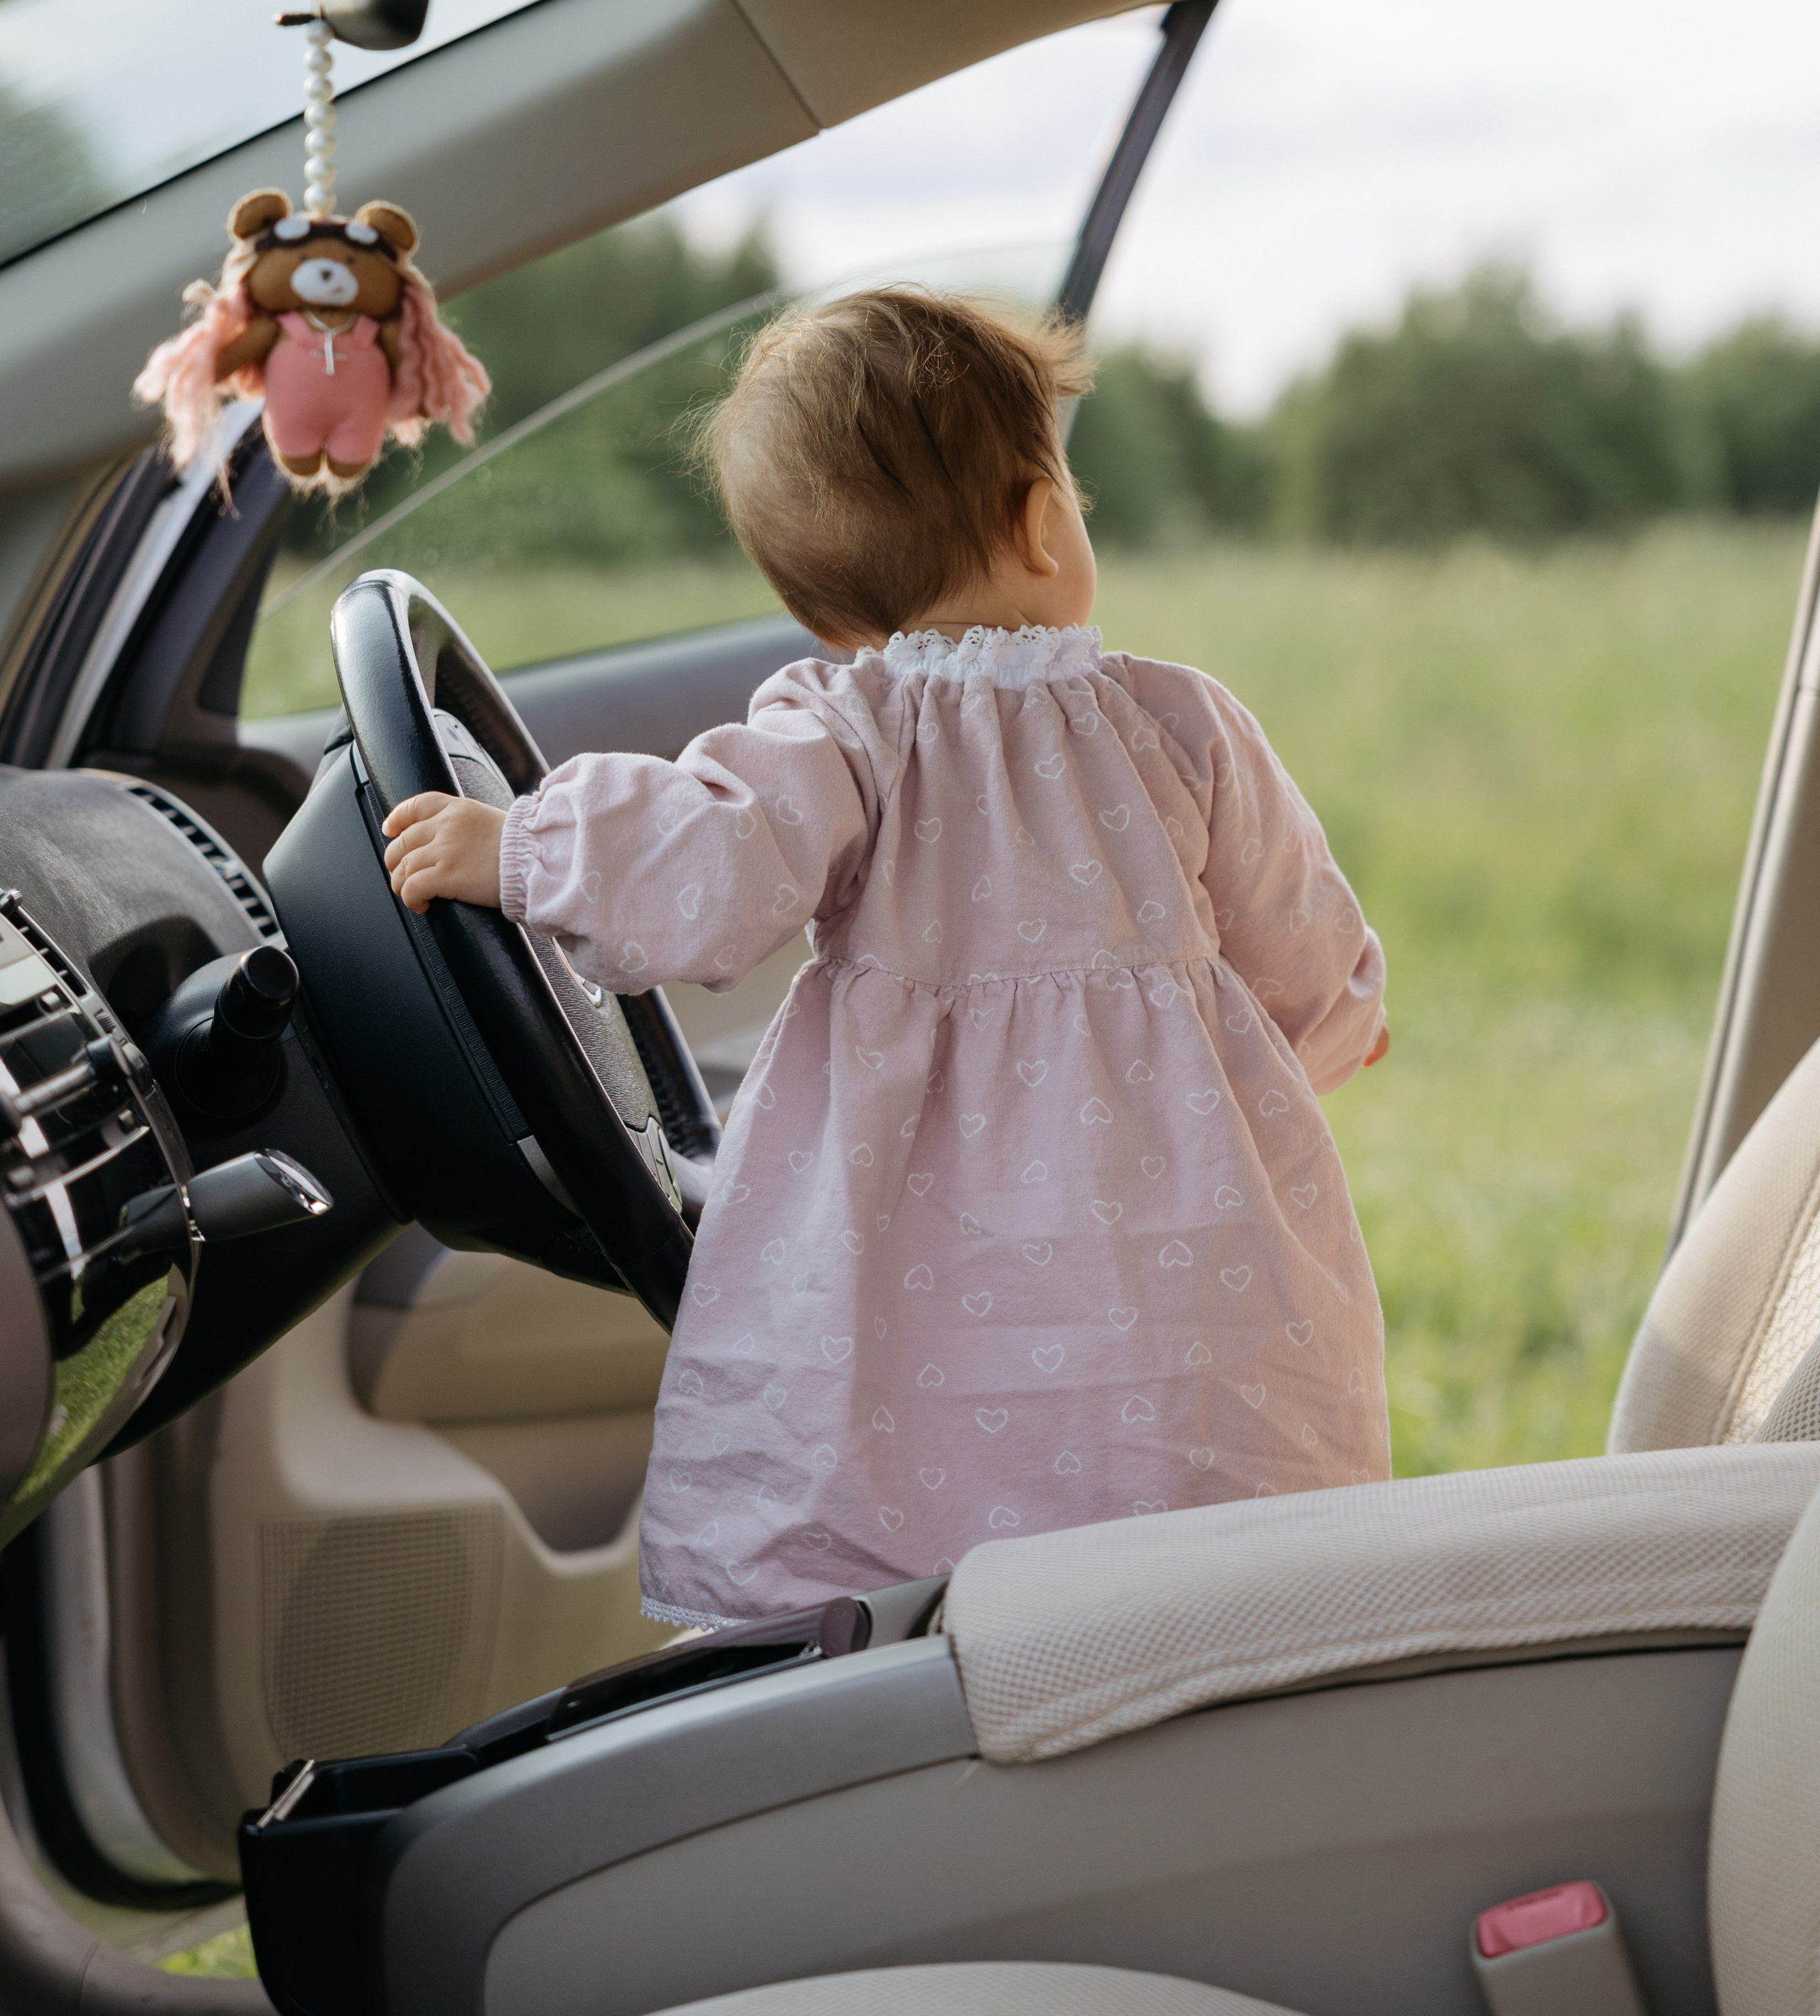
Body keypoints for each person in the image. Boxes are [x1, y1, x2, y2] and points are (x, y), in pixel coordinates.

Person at [382, 289, 1391, 1629]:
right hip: (1181, 1253)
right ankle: (1176, 1647)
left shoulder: (844, 728)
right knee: (1187, 1488)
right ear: (1044, 516)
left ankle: (910, 1677)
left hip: (916, 1237)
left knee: (906, 1455)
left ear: (820, 608)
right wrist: (1332, 1028)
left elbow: (711, 869)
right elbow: (1297, 940)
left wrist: (521, 849)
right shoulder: (1181, 722)